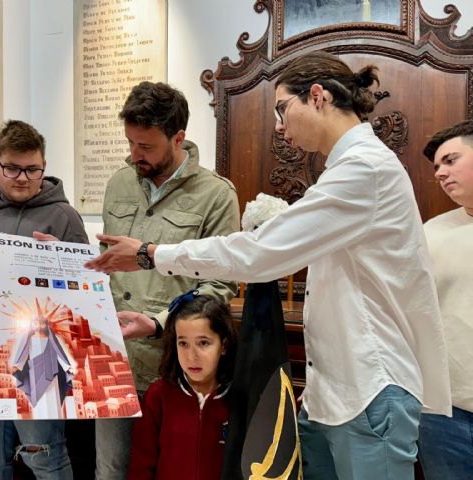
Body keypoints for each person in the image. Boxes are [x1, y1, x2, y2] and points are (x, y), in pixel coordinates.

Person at [86, 51, 452, 480]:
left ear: (317, 97)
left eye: (283, 109)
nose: (279, 126)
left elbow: (258, 254)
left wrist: (151, 254)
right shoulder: (345, 170)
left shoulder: (365, 170)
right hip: (335, 392)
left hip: (370, 389)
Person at [94, 81, 240, 480]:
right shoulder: (118, 184)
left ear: (178, 138)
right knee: (111, 471)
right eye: (130, 143)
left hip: (175, 365)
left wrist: (159, 322)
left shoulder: (217, 195)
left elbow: (218, 287)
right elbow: (109, 267)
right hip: (116, 363)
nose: (133, 155)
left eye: (146, 146)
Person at [0, 120, 88, 480]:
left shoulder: (64, 216)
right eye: (12, 168)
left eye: (32, 169)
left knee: (45, 457)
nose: (22, 177)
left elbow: (89, 289)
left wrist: (67, 262)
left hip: (40, 360)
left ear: (44, 168)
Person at [127, 291, 237, 480]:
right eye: (183, 344)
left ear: (224, 345)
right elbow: (141, 467)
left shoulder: (238, 397)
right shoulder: (158, 396)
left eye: (203, 343)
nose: (192, 356)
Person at [417, 120, 473, 479]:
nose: (440, 173)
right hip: (444, 413)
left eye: (451, 160)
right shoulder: (429, 234)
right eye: (436, 166)